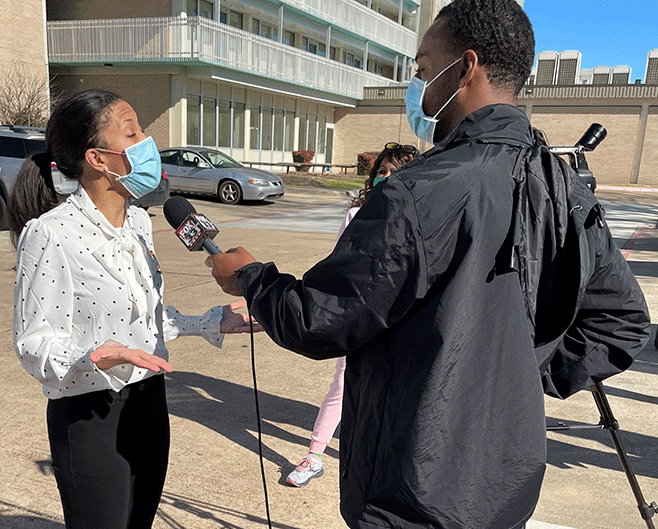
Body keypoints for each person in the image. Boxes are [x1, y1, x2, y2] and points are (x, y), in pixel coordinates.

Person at [208, 0, 650, 527]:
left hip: (410, 493)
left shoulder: (419, 192)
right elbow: (622, 323)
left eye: (421, 68)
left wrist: (249, 276)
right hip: (503, 489)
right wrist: (517, 375)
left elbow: (316, 319)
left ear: (465, 67)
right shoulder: (563, 185)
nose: (416, 82)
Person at [11, 89, 256, 529]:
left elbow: (146, 320)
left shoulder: (141, 223)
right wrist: (92, 355)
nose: (147, 141)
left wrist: (212, 321)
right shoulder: (50, 234)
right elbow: (34, 342)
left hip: (149, 403)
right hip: (90, 414)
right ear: (98, 159)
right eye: (132, 132)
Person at [286, 143, 418, 488]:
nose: (387, 178)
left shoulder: (418, 215)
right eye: (382, 172)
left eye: (395, 172)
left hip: (401, 318)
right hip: (363, 315)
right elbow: (342, 267)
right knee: (342, 383)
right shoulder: (355, 215)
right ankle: (314, 455)